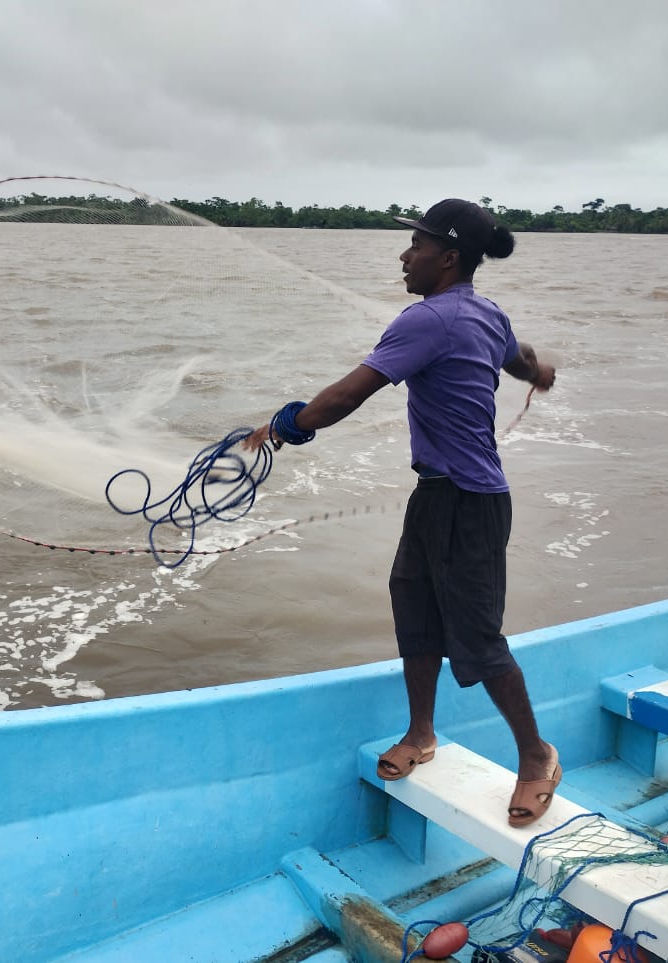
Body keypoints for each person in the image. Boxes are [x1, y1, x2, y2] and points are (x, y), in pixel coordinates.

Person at [243, 198, 560, 828]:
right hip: (439, 496)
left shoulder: (427, 321)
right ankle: (420, 734)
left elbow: (347, 395)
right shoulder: (485, 313)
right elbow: (518, 357)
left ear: (447, 258)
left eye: (414, 245)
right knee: (413, 605)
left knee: (477, 636)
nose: (403, 256)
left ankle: (536, 756)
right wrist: (541, 372)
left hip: (469, 502)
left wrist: (282, 427)